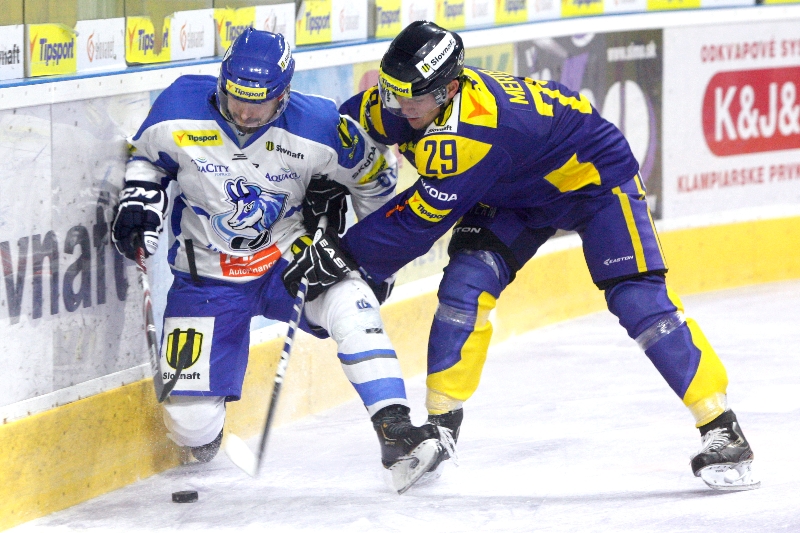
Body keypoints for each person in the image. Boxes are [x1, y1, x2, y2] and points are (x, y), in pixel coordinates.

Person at [284, 21, 759, 491]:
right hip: (513, 189)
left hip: (592, 182)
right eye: (392, 91)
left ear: (450, 90)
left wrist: (343, 253)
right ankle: (441, 428)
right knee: (464, 289)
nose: (400, 106)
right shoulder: (407, 101)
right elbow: (345, 132)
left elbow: (416, 224)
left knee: (637, 300)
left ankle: (722, 426)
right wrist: (328, 177)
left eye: (414, 97)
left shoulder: (470, 136)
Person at [111, 28, 450, 493]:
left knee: (353, 303)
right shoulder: (178, 105)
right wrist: (138, 201)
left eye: (260, 103)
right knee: (190, 427)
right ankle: (206, 415)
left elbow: (376, 177)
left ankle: (397, 431)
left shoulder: (319, 124)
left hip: (289, 262)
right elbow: (147, 159)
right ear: (222, 82)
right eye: (236, 97)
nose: (245, 113)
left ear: (284, 95)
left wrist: (373, 257)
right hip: (205, 276)